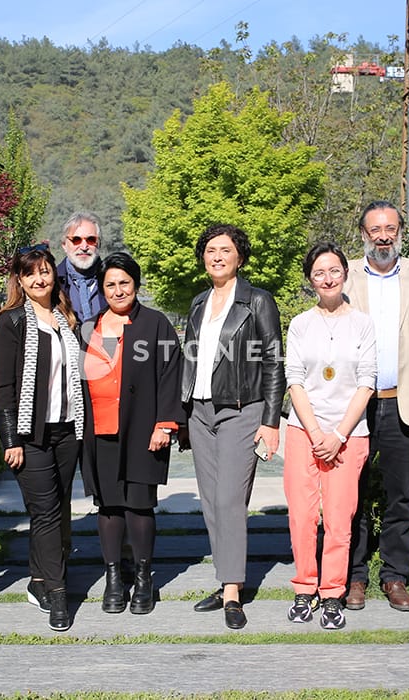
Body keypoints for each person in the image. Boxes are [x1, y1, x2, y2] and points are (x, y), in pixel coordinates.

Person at [181, 223, 285, 630]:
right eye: (210, 250)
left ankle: (232, 592)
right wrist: (183, 412)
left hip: (242, 411)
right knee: (210, 503)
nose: (217, 256)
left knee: (229, 500)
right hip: (200, 413)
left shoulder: (257, 301)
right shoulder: (197, 303)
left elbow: (274, 362)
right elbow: (190, 360)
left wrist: (271, 420)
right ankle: (225, 579)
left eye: (225, 250)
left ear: (240, 256)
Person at [343, 200, 409, 612]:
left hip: (405, 400)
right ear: (363, 234)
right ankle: (355, 575)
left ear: (400, 230)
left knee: (401, 494)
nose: (383, 235)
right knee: (354, 493)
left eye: (390, 227)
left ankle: (396, 575)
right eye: (375, 229)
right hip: (356, 404)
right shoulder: (345, 274)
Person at [79, 252, 184, 615]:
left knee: (139, 505)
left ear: (135, 285)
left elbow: (171, 374)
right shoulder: (92, 327)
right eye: (110, 284)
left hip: (143, 430)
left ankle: (143, 578)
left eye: (124, 282)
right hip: (100, 431)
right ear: (102, 289)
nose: (118, 289)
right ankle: (113, 579)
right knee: (108, 506)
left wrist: (165, 424)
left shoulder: (155, 325)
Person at [0, 243, 85, 632]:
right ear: (21, 280)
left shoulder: (67, 319)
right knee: (46, 513)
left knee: (56, 509)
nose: (39, 278)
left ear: (53, 274)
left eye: (44, 270)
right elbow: (3, 387)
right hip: (30, 435)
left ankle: (37, 580)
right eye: (30, 273)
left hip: (67, 430)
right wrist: (10, 439)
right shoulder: (11, 322)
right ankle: (60, 595)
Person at [283, 242, 376, 630]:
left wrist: (338, 434)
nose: (327, 278)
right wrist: (316, 430)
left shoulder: (363, 324)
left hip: (349, 435)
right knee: (302, 517)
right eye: (319, 272)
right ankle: (305, 587)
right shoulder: (301, 324)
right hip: (302, 431)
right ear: (310, 279)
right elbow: (294, 380)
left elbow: (367, 382)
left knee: (339, 519)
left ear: (345, 273)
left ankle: (332, 593)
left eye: (334, 270)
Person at [56, 212, 106, 322]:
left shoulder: (113, 281)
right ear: (64, 245)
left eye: (91, 240)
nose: (84, 247)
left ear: (99, 244)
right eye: (76, 240)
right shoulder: (53, 284)